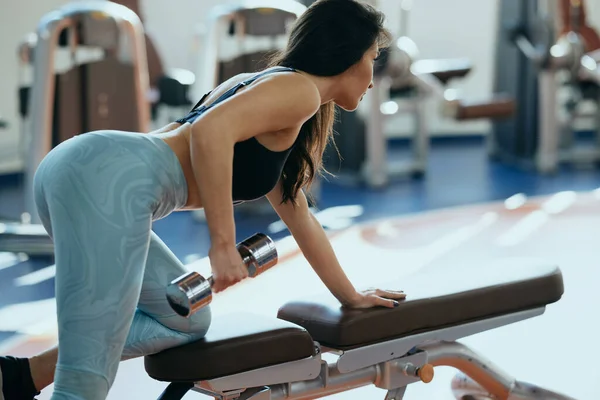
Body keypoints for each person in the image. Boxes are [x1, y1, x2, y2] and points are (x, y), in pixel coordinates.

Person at [0, 0, 406, 399]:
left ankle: (17, 378)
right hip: (105, 182)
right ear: (348, 54)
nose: (372, 79)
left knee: (185, 322)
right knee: (84, 382)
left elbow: (300, 217)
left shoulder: (278, 94)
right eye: (373, 57)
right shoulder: (297, 91)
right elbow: (210, 132)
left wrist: (350, 296)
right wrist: (223, 244)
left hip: (89, 170)